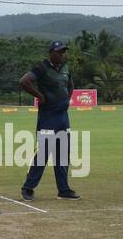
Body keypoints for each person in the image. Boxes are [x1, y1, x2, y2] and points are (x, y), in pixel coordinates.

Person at [18, 40, 81, 200]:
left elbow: (71, 86)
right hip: (48, 117)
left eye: (63, 52)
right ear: (51, 53)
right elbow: (24, 81)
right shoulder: (42, 67)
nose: (62, 54)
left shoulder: (66, 68)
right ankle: (28, 188)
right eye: (59, 52)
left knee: (63, 155)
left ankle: (63, 190)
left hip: (63, 117)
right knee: (43, 153)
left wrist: (66, 100)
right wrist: (39, 96)